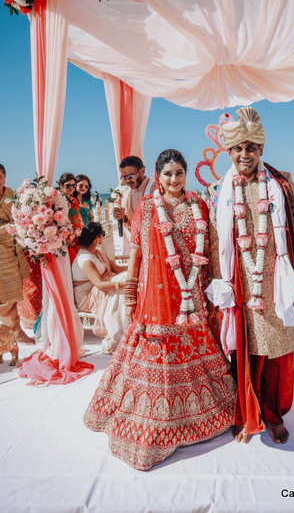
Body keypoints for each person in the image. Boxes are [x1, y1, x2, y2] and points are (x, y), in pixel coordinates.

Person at [84, 149, 236, 471]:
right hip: (156, 296)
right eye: (167, 174)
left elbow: (207, 248)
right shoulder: (148, 207)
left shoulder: (199, 205)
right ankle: (152, 420)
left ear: (184, 174)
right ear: (158, 176)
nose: (173, 179)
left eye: (178, 172)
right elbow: (136, 252)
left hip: (191, 291)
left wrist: (214, 285)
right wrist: (130, 292)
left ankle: (198, 417)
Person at [207, 107, 294, 446]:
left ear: (261, 150)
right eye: (237, 148)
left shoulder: (281, 184)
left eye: (251, 147)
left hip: (276, 280)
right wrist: (217, 285)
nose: (244, 154)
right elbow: (212, 240)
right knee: (243, 351)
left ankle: (272, 414)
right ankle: (245, 413)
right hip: (240, 283)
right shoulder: (218, 191)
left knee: (274, 352)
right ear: (229, 152)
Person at [72, 223, 127, 354]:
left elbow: (117, 269)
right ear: (97, 237)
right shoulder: (85, 258)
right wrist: (126, 283)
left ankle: (129, 327)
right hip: (87, 296)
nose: (104, 237)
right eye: (102, 234)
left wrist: (135, 272)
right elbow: (99, 285)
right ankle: (119, 336)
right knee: (122, 288)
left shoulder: (98, 252)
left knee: (125, 280)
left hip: (101, 287)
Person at [0, 163, 34, 344]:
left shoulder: (11, 195)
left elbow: (20, 218)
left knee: (13, 293)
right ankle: (13, 334)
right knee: (4, 297)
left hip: (14, 252)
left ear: (4, 177)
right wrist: (9, 228)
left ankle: (14, 332)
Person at [113, 156, 155, 229]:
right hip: (138, 239)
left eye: (131, 176)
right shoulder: (126, 194)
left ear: (142, 171)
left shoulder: (155, 187)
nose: (128, 180)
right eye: (124, 177)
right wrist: (122, 217)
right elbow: (131, 225)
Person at [58, 172, 83, 264]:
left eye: (73, 185)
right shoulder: (58, 201)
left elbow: (78, 218)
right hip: (66, 239)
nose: (71, 188)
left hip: (77, 236)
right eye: (68, 185)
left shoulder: (74, 199)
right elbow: (57, 223)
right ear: (60, 185)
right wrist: (65, 240)